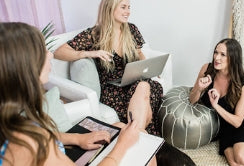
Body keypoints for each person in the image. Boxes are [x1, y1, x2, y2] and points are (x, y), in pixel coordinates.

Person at [1, 21, 142, 166]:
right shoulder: (30, 145)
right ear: (22, 69)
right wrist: (123, 145)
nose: (50, 54)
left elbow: (44, 135)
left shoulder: (13, 123)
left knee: (120, 126)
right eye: (42, 51)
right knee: (135, 144)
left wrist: (76, 138)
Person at [52, 0, 163, 136]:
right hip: (113, 88)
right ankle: (141, 136)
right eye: (123, 7)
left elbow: (139, 53)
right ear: (110, 8)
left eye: (129, 7)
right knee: (144, 100)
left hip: (135, 80)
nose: (128, 11)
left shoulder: (131, 29)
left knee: (144, 85)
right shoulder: (95, 34)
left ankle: (134, 135)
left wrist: (149, 66)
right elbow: (59, 52)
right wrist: (89, 53)